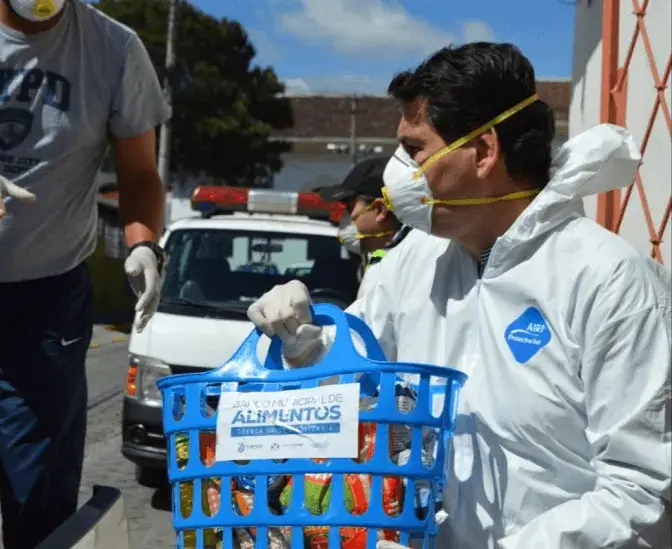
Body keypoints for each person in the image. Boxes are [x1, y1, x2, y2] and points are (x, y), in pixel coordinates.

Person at [247, 42, 671, 548]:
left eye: (414, 149)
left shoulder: (608, 282)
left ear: (485, 151)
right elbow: (352, 383)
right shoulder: (412, 264)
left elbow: (641, 492)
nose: (397, 173)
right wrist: (304, 341)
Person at [0, 0, 168, 547]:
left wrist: (143, 244)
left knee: (41, 488)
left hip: (51, 299)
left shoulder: (115, 49)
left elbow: (140, 172)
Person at [316, 156, 411, 297]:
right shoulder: (383, 259)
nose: (346, 219)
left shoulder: (403, 267)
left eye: (350, 208)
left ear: (380, 210)